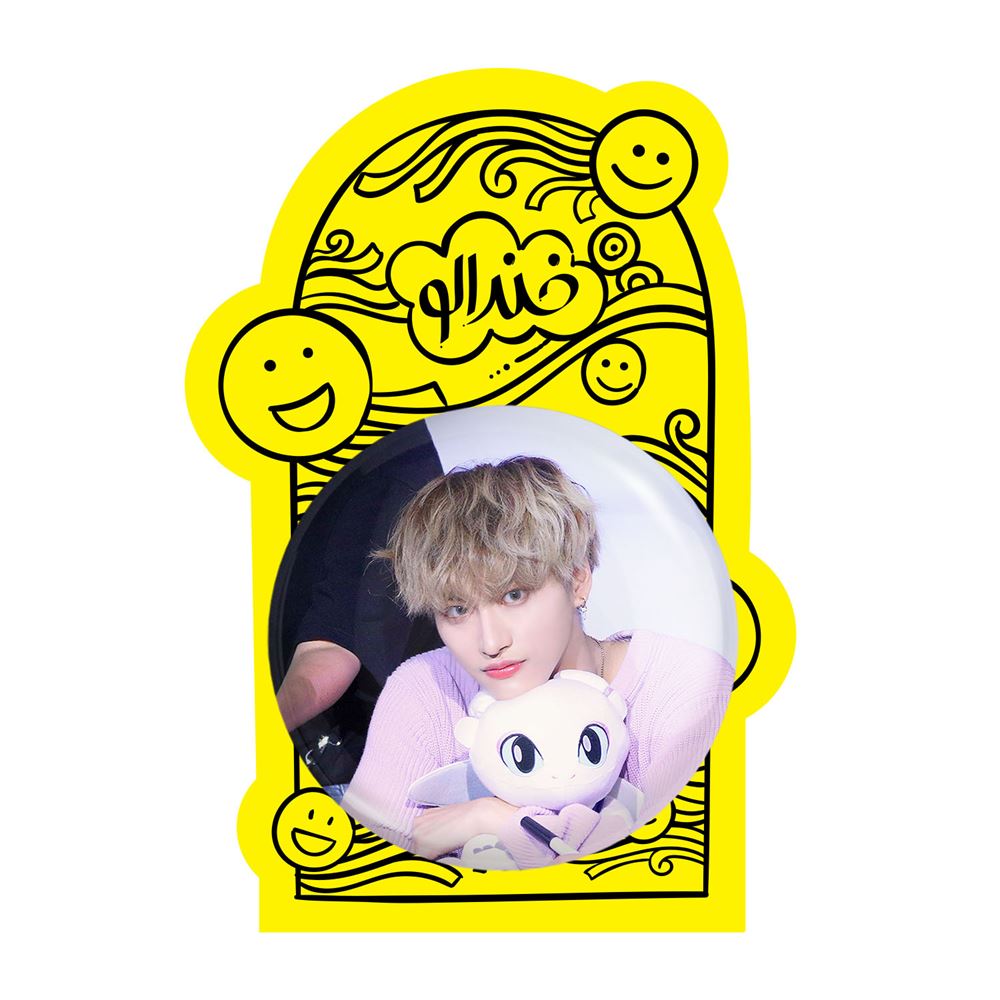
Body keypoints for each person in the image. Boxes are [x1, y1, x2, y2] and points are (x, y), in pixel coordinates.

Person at [341, 456, 734, 867]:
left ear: (577, 580)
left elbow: (672, 873)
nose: (490, 643)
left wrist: (496, 820)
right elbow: (361, 872)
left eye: (513, 596)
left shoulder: (688, 684)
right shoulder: (427, 687)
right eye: (457, 609)